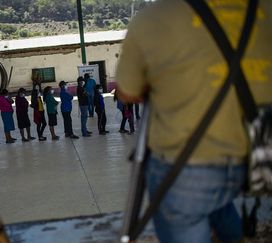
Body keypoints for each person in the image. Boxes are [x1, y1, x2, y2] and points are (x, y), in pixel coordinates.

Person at [116, 1, 272, 243]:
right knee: (217, 199)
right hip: (260, 155)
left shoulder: (153, 19)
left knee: (188, 200)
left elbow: (127, 92)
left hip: (190, 166)